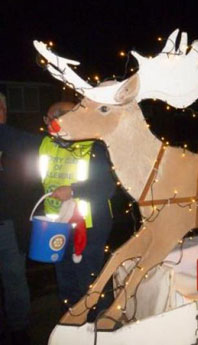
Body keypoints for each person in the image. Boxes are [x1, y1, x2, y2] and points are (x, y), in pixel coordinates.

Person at [41, 102, 116, 317]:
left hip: (90, 227)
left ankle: (98, 326)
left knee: (89, 283)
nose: (46, 124)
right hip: (57, 225)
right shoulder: (47, 144)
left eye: (49, 119)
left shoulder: (93, 146)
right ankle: (72, 324)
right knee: (66, 281)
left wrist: (73, 191)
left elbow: (107, 187)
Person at [0, 92, 40, 345]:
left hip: (9, 226)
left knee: (14, 278)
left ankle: (19, 329)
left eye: (1, 107)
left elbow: (31, 184)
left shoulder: (18, 143)